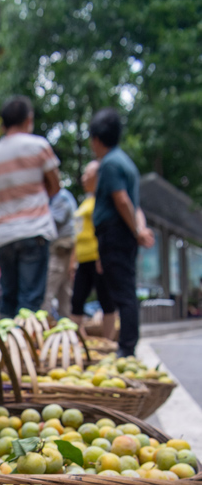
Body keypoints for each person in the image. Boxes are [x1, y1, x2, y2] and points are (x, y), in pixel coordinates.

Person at [0, 95, 60, 317]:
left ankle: (5, 349)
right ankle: (23, 349)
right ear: (29, 119)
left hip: (5, 235)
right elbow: (55, 186)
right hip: (34, 230)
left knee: (8, 299)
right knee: (30, 301)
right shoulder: (38, 146)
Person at [90, 108, 154, 357]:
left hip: (115, 234)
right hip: (122, 234)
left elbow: (122, 200)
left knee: (124, 293)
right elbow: (134, 205)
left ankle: (126, 348)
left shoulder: (109, 164)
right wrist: (140, 228)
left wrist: (137, 230)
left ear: (95, 139)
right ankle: (126, 346)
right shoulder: (126, 162)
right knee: (123, 290)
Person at [70, 160, 116, 340]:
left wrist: (102, 256)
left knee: (106, 300)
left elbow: (104, 229)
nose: (83, 178)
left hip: (98, 258)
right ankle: (79, 343)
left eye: (87, 174)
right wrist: (72, 261)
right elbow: (77, 234)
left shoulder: (103, 199)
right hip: (83, 259)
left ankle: (108, 342)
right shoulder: (85, 202)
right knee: (76, 302)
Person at [42, 184, 77, 318]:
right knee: (65, 296)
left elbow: (53, 223)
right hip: (65, 251)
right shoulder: (63, 196)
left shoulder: (60, 197)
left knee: (48, 294)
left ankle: (43, 328)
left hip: (61, 251)